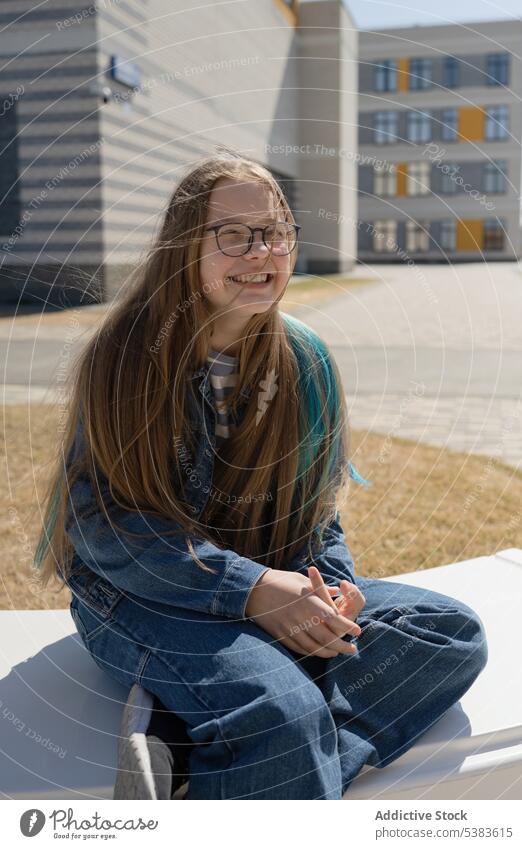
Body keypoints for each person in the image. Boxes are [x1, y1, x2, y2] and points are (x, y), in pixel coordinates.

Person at [33, 152, 488, 800]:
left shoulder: (303, 359)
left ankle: (193, 748)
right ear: (184, 246)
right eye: (234, 234)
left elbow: (317, 514)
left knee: (446, 632)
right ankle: (268, 730)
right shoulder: (127, 356)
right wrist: (248, 590)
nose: (262, 250)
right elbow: (103, 529)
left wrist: (329, 591)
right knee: (286, 716)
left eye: (276, 230)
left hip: (269, 581)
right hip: (137, 599)